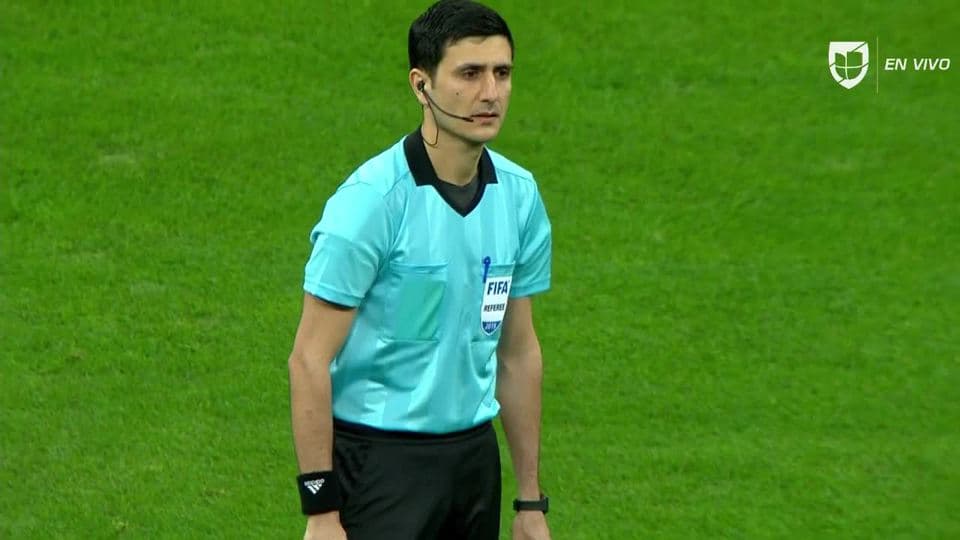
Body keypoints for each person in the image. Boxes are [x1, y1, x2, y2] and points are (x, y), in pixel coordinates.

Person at [287, 1, 553, 538]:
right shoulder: (371, 203)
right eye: (469, 74)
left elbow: (518, 353)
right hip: (381, 466)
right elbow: (309, 359)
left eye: (502, 73)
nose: (491, 93)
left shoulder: (519, 197)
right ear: (421, 85)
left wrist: (530, 502)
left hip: (474, 464)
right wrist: (321, 511)